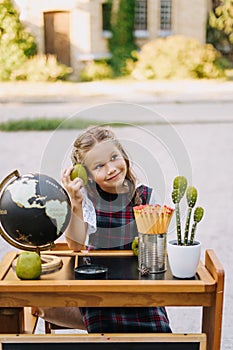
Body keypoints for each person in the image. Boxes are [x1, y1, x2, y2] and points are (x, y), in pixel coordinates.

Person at [35, 125, 171, 333]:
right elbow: (77, 245)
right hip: (97, 285)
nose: (111, 169)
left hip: (138, 287)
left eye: (114, 157)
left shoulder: (145, 197)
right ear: (87, 175)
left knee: (157, 330)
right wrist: (76, 202)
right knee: (105, 332)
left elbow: (154, 253)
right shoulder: (87, 199)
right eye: (99, 166)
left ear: (124, 156)